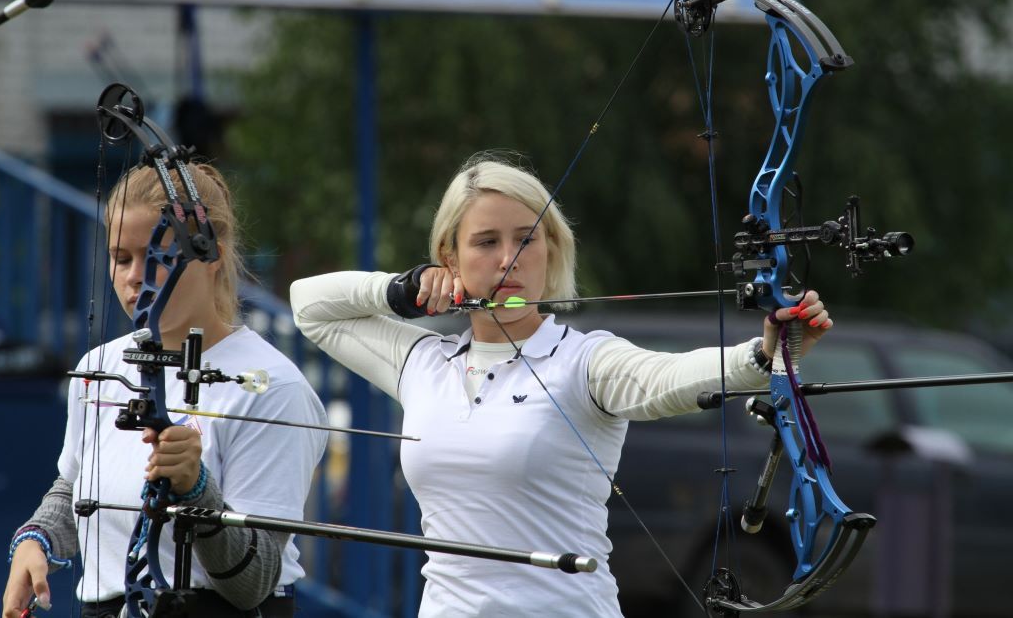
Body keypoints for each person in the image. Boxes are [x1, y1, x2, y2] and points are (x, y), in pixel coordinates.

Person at [289, 152, 833, 617]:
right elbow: (309, 306)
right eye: (485, 242)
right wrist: (402, 290)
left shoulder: (583, 361)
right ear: (449, 259)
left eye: (527, 239)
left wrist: (762, 353)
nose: (509, 259)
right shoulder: (424, 361)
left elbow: (667, 378)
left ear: (551, 249)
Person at [2, 163, 327, 618]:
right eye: (121, 258)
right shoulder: (99, 368)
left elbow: (255, 583)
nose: (136, 276)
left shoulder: (274, 387)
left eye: (159, 257)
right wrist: (34, 540)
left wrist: (196, 490)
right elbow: (75, 486)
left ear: (211, 253)